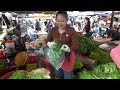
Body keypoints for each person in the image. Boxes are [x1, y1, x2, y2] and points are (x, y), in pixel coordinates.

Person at [46, 11, 78, 79]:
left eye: (62, 21)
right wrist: (48, 43)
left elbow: (75, 45)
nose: (60, 23)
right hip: (56, 58)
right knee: (58, 75)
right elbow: (47, 40)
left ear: (67, 20)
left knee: (68, 77)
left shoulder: (71, 30)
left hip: (67, 58)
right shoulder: (53, 30)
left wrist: (69, 49)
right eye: (58, 21)